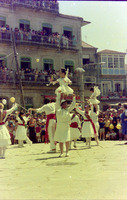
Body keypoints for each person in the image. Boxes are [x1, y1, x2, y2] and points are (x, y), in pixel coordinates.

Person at [54, 92, 76, 157]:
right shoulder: (58, 110)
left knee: (67, 139)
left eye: (66, 104)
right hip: (60, 126)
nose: (66, 105)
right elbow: (57, 103)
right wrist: (60, 95)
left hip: (66, 126)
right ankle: (61, 152)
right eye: (64, 104)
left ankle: (67, 152)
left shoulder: (67, 110)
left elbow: (73, 105)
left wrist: (73, 98)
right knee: (60, 140)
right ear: (61, 105)